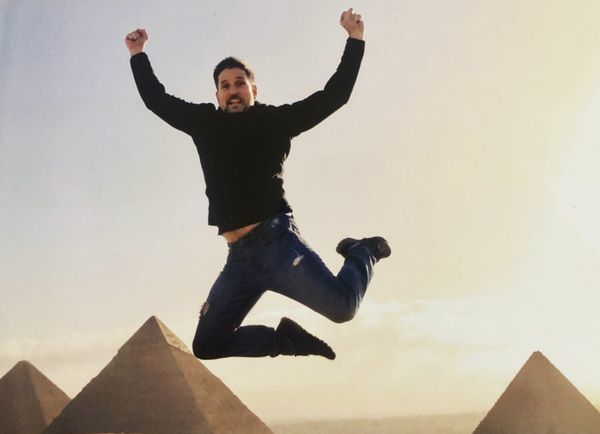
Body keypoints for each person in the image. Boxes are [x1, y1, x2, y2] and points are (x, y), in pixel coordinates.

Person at [125, 8, 390, 361]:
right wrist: (138, 54)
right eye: (225, 86)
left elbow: (334, 96)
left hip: (278, 245)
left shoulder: (274, 121)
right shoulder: (204, 122)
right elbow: (156, 100)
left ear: (253, 89)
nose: (232, 91)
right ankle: (285, 341)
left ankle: (362, 252)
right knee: (207, 345)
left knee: (343, 308)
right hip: (239, 260)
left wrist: (355, 39)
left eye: (239, 83)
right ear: (217, 95)